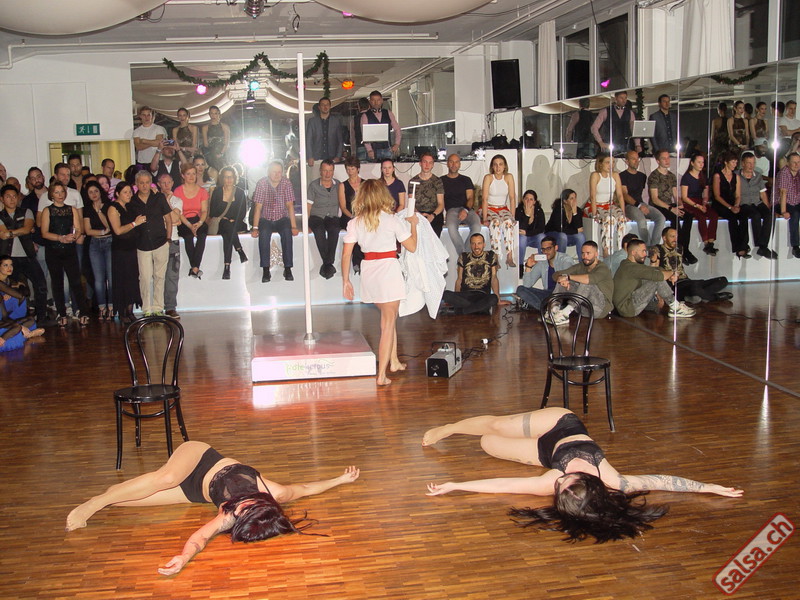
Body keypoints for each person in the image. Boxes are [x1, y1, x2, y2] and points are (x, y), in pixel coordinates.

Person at [422, 407, 742, 543]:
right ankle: (449, 428)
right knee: (496, 426)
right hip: (559, 424)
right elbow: (662, 481)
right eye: (567, 481)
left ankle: (483, 434)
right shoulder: (613, 479)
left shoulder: (551, 482)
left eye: (559, 484)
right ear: (590, 484)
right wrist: (707, 487)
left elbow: (504, 484)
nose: (560, 480)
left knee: (487, 443)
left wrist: (456, 485)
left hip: (546, 452)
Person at [65, 440, 360, 575]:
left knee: (119, 500)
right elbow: (305, 488)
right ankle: (92, 504)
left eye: (239, 514)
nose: (239, 508)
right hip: (199, 457)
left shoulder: (230, 516)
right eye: (246, 507)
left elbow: (200, 538)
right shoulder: (276, 492)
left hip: (194, 491)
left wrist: (183, 558)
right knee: (165, 478)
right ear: (261, 503)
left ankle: (104, 497)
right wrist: (339, 479)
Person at [341, 179, 418, 386]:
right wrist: (413, 224)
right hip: (388, 271)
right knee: (388, 323)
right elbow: (412, 246)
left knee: (389, 317)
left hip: (369, 271)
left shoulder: (356, 222)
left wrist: (346, 280)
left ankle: (394, 361)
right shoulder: (391, 220)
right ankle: (382, 375)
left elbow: (346, 254)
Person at [39, 182, 90, 326]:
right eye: (56, 192)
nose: (60, 195)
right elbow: (44, 233)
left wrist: (73, 236)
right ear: (51, 194)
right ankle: (62, 313)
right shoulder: (47, 211)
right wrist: (61, 238)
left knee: (76, 282)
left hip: (69, 250)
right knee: (57, 283)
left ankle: (83, 312)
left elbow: (78, 229)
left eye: (62, 192)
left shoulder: (72, 209)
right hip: (53, 251)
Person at [0, 185, 49, 326]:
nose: (12, 199)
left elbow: (27, 228)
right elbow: (2, 233)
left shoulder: (26, 211)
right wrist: (18, 230)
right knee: (14, 289)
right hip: (8, 258)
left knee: (41, 285)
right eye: (8, 196)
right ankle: (16, 320)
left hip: (27, 256)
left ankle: (41, 317)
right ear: (2, 199)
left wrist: (10, 232)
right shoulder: (0, 215)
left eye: (14, 196)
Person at [612, 238, 694, 318]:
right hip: (627, 308)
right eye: (643, 251)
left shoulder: (628, 264)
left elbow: (652, 270)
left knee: (653, 278)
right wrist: (673, 273)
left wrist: (669, 275)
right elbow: (658, 276)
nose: (645, 254)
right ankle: (676, 308)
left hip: (627, 305)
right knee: (656, 280)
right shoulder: (632, 268)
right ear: (633, 252)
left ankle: (663, 303)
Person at [129, 170, 173, 317]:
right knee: (145, 278)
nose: (144, 185)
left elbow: (168, 219)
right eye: (141, 182)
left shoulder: (159, 197)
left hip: (161, 242)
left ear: (151, 183)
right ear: (136, 184)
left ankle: (158, 307)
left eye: (147, 182)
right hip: (142, 244)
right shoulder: (132, 201)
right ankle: (146, 309)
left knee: (160, 276)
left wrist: (168, 239)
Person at [654, 227, 731, 303]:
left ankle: (695, 296)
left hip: (687, 281)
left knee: (723, 280)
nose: (675, 239)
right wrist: (669, 275)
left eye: (676, 236)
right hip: (674, 284)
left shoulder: (679, 247)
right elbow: (654, 269)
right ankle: (715, 297)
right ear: (664, 238)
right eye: (672, 236)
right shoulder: (657, 249)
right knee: (695, 288)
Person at [251, 161, 298, 283]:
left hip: (282, 217)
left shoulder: (286, 183)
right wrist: (255, 227)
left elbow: (290, 206)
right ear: (268, 172)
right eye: (274, 172)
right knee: (264, 233)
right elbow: (258, 207)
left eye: (279, 172)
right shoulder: (261, 183)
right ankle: (265, 269)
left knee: (287, 232)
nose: (277, 175)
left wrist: (294, 226)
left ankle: (288, 268)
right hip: (265, 218)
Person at [443, 232, 510, 316]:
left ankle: (462, 311)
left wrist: (498, 299)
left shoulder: (491, 255)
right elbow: (459, 279)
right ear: (470, 245)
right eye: (473, 244)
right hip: (465, 294)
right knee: (445, 294)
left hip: (482, 295)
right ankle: (479, 309)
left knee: (493, 298)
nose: (476, 247)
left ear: (484, 244)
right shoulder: (463, 256)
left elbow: (494, 277)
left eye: (479, 243)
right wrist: (456, 298)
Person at [647, 150, 696, 264]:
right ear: (658, 161)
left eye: (668, 158)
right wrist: (671, 209)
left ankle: (684, 249)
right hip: (658, 205)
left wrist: (680, 204)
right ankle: (679, 250)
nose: (667, 160)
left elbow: (675, 195)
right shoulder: (654, 176)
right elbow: (654, 199)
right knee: (675, 218)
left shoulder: (671, 176)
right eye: (664, 158)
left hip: (669, 204)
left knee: (688, 216)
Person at [550, 240, 614, 322]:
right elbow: (556, 274)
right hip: (582, 309)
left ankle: (565, 313)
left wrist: (568, 277)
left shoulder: (603, 268)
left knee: (586, 283)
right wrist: (561, 279)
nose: (585, 256)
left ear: (596, 254)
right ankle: (554, 310)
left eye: (588, 253)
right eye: (583, 253)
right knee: (563, 280)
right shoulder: (581, 266)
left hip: (600, 309)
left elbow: (589, 279)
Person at [106, 182, 143, 324]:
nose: (129, 195)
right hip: (120, 250)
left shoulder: (130, 207)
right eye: (125, 192)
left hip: (131, 247)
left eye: (130, 192)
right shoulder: (113, 208)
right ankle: (122, 312)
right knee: (122, 280)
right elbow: (118, 230)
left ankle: (130, 310)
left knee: (132, 280)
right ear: (117, 194)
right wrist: (135, 223)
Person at [515, 236, 575, 311]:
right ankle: (546, 308)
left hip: (563, 294)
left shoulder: (565, 260)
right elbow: (527, 285)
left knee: (557, 296)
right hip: (548, 294)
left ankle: (544, 307)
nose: (545, 252)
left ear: (556, 248)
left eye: (548, 248)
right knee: (520, 289)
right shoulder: (542, 262)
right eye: (543, 249)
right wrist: (528, 266)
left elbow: (567, 279)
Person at [618, 150, 665, 247]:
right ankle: (647, 246)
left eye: (637, 159)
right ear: (627, 161)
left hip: (641, 203)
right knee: (641, 220)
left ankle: (654, 246)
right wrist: (639, 205)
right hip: (629, 205)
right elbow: (625, 195)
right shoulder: (622, 176)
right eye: (633, 159)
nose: (636, 161)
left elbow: (640, 194)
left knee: (661, 218)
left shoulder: (642, 176)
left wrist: (642, 205)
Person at [209, 166, 248, 280]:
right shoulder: (217, 192)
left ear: (235, 178)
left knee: (228, 233)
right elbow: (213, 212)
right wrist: (225, 218)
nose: (229, 180)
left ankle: (227, 267)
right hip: (221, 223)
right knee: (227, 226)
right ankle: (239, 250)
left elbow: (242, 212)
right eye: (226, 177)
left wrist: (234, 219)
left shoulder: (240, 192)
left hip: (237, 223)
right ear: (222, 178)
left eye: (231, 177)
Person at [82, 181, 113, 320]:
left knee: (111, 278)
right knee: (98, 279)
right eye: (90, 192)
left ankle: (111, 307)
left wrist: (100, 212)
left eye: (96, 191)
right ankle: (101, 307)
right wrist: (101, 232)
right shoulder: (87, 209)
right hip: (94, 244)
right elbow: (88, 230)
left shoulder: (108, 206)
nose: (94, 194)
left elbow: (110, 226)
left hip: (109, 242)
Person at [711, 151, 751, 259]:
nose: (735, 164)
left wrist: (736, 205)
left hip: (732, 203)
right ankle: (738, 247)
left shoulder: (736, 177)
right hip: (720, 204)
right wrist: (730, 207)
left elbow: (737, 195)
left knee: (743, 216)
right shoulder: (717, 176)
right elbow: (717, 196)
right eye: (733, 162)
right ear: (726, 162)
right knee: (732, 218)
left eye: (736, 162)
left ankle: (744, 245)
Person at [0, 255, 44, 351]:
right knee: (16, 328)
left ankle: (23, 333)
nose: (9, 268)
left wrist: (14, 289)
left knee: (30, 320)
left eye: (11, 265)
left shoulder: (9, 280)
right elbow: (20, 295)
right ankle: (25, 335)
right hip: (4, 320)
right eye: (5, 265)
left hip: (6, 318)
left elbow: (25, 291)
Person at [174, 162, 209, 279]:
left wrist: (199, 223)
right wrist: (189, 225)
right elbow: (178, 212)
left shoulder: (202, 191)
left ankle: (194, 267)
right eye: (188, 174)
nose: (191, 176)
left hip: (198, 219)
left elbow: (204, 211)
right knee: (188, 237)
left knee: (202, 234)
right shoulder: (178, 191)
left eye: (193, 173)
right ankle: (195, 267)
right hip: (183, 220)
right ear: (183, 175)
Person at [481, 154, 517, 268]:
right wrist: (485, 218)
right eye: (495, 165)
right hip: (489, 208)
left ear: (504, 166)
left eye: (500, 164)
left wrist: (512, 217)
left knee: (508, 223)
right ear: (492, 166)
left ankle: (509, 256)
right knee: (495, 223)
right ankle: (495, 257)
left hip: (502, 208)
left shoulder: (509, 177)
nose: (498, 167)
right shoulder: (488, 178)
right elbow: (484, 199)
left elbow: (512, 198)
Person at [587, 153, 627, 257]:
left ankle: (621, 249)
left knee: (621, 219)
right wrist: (595, 214)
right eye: (608, 162)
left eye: (613, 162)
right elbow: (593, 196)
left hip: (609, 205)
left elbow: (620, 195)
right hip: (595, 205)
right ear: (600, 164)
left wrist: (623, 213)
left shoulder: (615, 175)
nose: (611, 165)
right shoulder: (595, 175)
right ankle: (606, 249)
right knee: (609, 219)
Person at [680, 153, 719, 256]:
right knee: (701, 216)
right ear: (692, 163)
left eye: (702, 162)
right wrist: (697, 206)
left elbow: (705, 194)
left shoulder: (703, 177)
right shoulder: (686, 177)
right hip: (689, 202)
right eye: (699, 162)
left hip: (700, 201)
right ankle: (706, 242)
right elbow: (684, 197)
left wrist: (704, 203)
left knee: (714, 215)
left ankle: (711, 242)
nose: (701, 164)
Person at [307, 160, 341, 279]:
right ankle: (328, 264)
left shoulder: (338, 185)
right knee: (318, 230)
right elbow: (308, 206)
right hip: (317, 216)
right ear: (320, 171)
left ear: (333, 171)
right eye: (325, 170)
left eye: (330, 171)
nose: (327, 174)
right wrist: (306, 224)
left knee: (335, 229)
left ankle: (327, 264)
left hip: (332, 216)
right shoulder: (313, 185)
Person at [442, 154, 480, 255]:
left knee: (477, 226)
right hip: (452, 211)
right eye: (451, 162)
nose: (454, 164)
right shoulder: (441, 181)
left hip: (467, 209)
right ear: (447, 164)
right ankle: (464, 256)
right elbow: (440, 200)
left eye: (456, 162)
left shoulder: (466, 180)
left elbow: (471, 198)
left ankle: (465, 255)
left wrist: (465, 210)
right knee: (451, 227)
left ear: (460, 164)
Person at [157, 173, 182, 318]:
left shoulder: (177, 200)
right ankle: (157, 306)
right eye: (163, 183)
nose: (166, 186)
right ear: (158, 184)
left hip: (173, 240)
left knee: (172, 275)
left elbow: (173, 218)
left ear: (173, 183)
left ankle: (170, 307)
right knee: (157, 275)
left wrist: (166, 201)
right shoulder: (154, 200)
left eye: (168, 182)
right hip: (157, 241)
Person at [590, 90, 641, 155]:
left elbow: (634, 129)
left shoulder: (630, 113)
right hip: (609, 145)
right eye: (621, 98)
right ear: (615, 98)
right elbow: (594, 127)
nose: (624, 100)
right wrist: (600, 142)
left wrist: (637, 144)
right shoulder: (606, 111)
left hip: (626, 145)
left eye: (625, 98)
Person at [409, 152, 445, 238]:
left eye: (430, 162)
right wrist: (419, 215)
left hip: (434, 214)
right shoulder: (413, 181)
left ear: (433, 165)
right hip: (418, 214)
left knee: (433, 241)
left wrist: (432, 215)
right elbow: (411, 203)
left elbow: (441, 204)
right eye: (425, 162)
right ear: (420, 163)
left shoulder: (437, 181)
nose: (427, 165)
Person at [338, 156, 364, 274]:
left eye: (352, 169)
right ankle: (357, 262)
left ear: (358, 169)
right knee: (355, 228)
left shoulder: (365, 183)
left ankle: (360, 261)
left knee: (363, 227)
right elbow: (343, 207)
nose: (350, 172)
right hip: (348, 216)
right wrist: (353, 217)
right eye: (348, 169)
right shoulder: (342, 185)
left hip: (363, 215)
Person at [361, 90, 401, 161]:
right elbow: (365, 135)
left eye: (378, 100)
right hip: (373, 151)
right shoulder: (365, 116)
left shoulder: (388, 113)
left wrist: (397, 144)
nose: (376, 103)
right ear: (370, 101)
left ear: (382, 101)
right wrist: (369, 150)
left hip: (387, 149)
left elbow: (397, 129)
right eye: (373, 100)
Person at [306, 97, 344, 167]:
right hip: (316, 158)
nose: (325, 107)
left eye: (327, 105)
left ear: (330, 106)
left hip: (332, 158)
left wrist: (338, 156)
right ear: (319, 107)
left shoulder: (336, 121)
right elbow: (309, 140)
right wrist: (310, 156)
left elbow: (340, 141)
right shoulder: (312, 122)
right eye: (323, 105)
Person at [775, 151, 800, 258]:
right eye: (794, 162)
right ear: (788, 163)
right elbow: (783, 193)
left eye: (798, 162)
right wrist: (783, 211)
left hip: (796, 201)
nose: (797, 165)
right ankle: (795, 246)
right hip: (782, 202)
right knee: (795, 214)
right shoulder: (784, 173)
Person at [515, 189, 545, 269]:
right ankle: (520, 266)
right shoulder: (518, 211)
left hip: (533, 238)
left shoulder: (538, 211)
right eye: (526, 199)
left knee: (542, 237)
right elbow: (520, 229)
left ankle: (543, 264)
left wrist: (527, 233)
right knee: (523, 238)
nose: (528, 201)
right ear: (523, 200)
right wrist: (527, 215)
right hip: (521, 238)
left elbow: (541, 228)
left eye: (531, 199)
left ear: (534, 201)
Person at [202, 105, 231, 172]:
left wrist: (221, 153)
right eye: (211, 113)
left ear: (219, 114)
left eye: (215, 113)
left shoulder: (225, 127)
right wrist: (210, 155)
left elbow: (227, 143)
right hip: (210, 155)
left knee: (223, 173)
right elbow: (205, 144)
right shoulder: (205, 128)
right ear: (209, 114)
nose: (213, 115)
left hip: (223, 155)